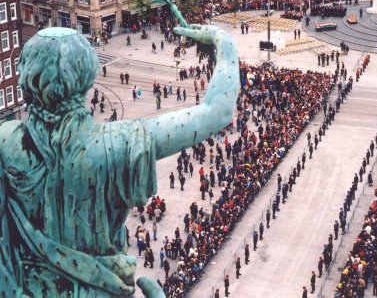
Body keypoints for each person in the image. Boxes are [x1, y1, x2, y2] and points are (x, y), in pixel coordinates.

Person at [0, 26, 239, 298]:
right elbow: (217, 111)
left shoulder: (5, 142)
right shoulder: (117, 144)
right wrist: (225, 43)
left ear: (26, 79)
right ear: (88, 76)